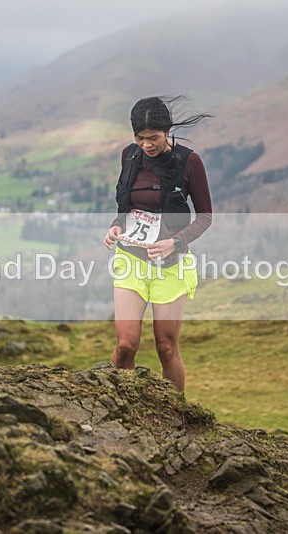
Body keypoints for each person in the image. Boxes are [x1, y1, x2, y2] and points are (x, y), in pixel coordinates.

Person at [103, 96, 212, 393]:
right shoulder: (129, 155)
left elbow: (205, 216)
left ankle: (176, 414)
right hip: (130, 260)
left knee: (166, 347)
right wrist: (115, 228)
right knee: (125, 345)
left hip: (170, 266)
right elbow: (126, 210)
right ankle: (118, 403)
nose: (146, 145)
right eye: (140, 138)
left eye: (153, 138)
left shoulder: (189, 161)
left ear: (167, 131)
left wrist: (175, 242)